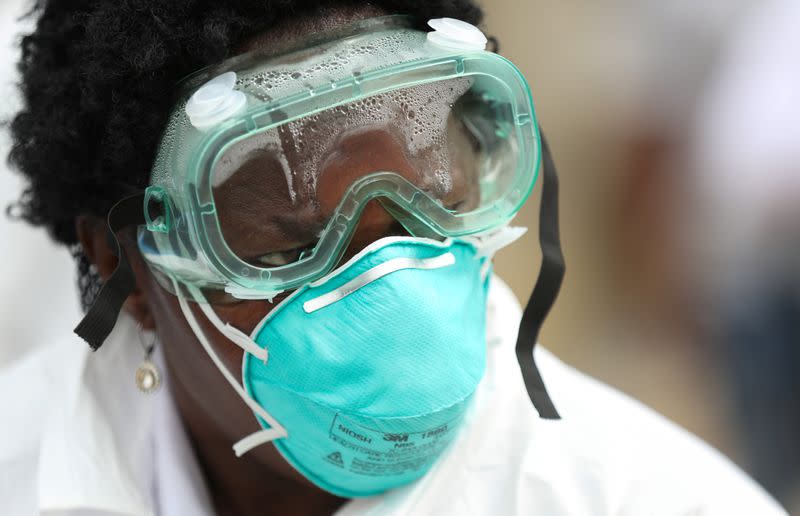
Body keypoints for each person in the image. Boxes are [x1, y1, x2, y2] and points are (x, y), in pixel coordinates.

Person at [0, 1, 787, 515]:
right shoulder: (21, 468)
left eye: (434, 204)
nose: (393, 284)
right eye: (297, 239)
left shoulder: (654, 498)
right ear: (122, 267)